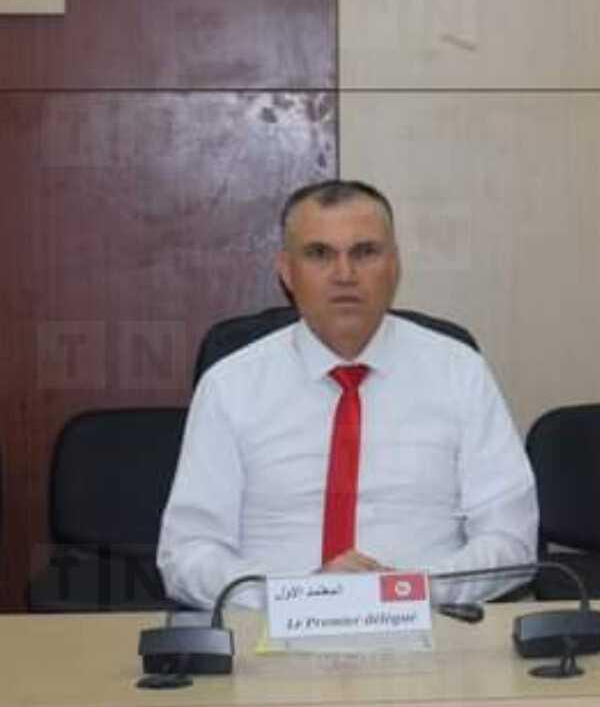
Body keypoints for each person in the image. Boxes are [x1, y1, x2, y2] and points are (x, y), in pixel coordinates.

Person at [157, 180, 537, 608]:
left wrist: (410, 591)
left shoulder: (459, 372)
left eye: (365, 252)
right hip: (269, 628)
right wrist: (296, 597)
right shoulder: (230, 385)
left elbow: (511, 540)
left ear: (394, 266)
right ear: (286, 271)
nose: (344, 274)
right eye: (319, 254)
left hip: (433, 623)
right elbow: (186, 553)